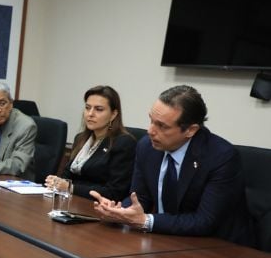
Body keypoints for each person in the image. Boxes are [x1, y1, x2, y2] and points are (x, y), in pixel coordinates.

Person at [90, 85, 255, 246]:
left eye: (162, 126)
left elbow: (205, 221)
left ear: (191, 130)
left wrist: (145, 221)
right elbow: (140, 198)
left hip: (218, 248)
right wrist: (119, 212)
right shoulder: (146, 146)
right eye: (151, 121)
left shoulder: (221, 157)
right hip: (167, 240)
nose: (150, 131)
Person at [45, 85, 136, 201]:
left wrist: (70, 187)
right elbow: (67, 176)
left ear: (113, 114)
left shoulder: (123, 143)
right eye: (88, 108)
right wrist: (56, 181)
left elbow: (114, 192)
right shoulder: (80, 138)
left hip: (98, 208)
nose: (90, 114)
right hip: (72, 202)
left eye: (99, 109)